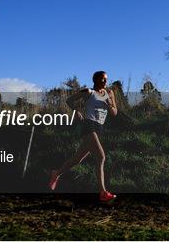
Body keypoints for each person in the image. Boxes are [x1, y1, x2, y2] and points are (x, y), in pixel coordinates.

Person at [48, 71, 118, 202]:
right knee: (101, 156)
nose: (105, 82)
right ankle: (103, 192)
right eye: (102, 80)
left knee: (77, 159)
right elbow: (69, 100)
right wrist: (76, 111)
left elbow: (114, 112)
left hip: (99, 128)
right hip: (89, 125)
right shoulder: (88, 92)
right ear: (95, 80)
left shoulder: (109, 93)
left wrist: (109, 105)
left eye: (106, 80)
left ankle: (56, 173)